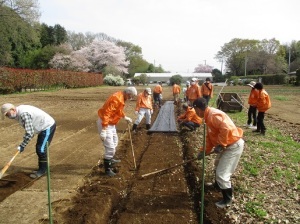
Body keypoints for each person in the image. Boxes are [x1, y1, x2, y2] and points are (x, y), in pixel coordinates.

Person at [193, 98, 244, 208]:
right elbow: (210, 137)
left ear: (198, 109)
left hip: (233, 146)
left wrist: (221, 144)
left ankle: (227, 199)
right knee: (217, 165)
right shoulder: (208, 116)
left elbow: (225, 128)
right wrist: (203, 151)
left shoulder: (213, 115)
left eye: (195, 110)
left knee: (222, 174)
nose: (195, 112)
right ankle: (217, 185)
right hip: (227, 145)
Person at [1, 103, 56, 179]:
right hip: (40, 127)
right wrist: (23, 143)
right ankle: (42, 168)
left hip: (47, 126)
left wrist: (22, 145)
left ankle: (43, 170)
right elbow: (30, 130)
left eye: (7, 114)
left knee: (41, 149)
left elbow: (29, 133)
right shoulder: (18, 113)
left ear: (13, 109)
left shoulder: (24, 114)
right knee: (40, 148)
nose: (8, 117)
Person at [97, 86, 137, 177]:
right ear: (128, 93)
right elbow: (107, 113)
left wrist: (124, 117)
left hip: (111, 124)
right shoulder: (117, 98)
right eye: (131, 96)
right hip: (105, 123)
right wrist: (104, 129)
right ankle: (107, 170)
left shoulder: (121, 97)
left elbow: (118, 110)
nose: (131, 98)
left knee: (115, 142)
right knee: (110, 147)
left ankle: (110, 159)